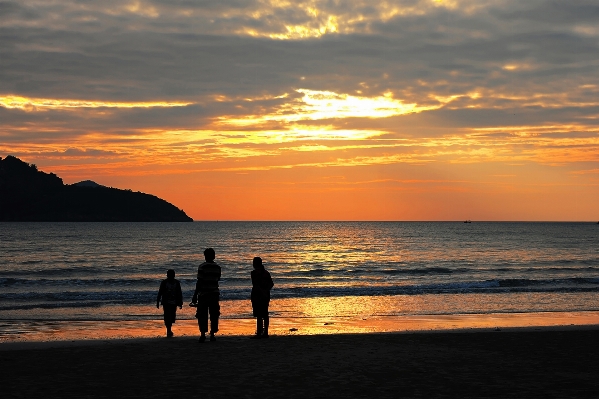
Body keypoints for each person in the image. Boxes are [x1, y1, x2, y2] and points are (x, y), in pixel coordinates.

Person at [191, 248, 222, 342]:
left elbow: (199, 282)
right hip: (214, 293)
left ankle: (203, 334)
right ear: (214, 256)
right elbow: (218, 279)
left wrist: (195, 295)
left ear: (205, 256)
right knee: (214, 314)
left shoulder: (202, 267)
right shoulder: (217, 267)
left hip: (203, 294)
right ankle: (212, 334)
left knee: (202, 314)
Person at [250, 256, 274, 339]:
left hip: (257, 295)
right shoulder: (266, 273)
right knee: (265, 313)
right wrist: (266, 290)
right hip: (265, 295)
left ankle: (259, 333)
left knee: (259, 314)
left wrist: (261, 291)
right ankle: (265, 332)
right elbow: (271, 284)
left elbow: (255, 284)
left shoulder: (254, 273)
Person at [156, 269, 183, 337]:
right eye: (170, 274)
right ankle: (168, 330)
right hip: (166, 302)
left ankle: (169, 329)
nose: (171, 276)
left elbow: (179, 293)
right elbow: (160, 292)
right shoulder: (164, 282)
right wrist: (158, 301)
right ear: (167, 275)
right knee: (167, 316)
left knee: (172, 316)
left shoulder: (177, 282)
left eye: (172, 274)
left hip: (174, 302)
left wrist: (180, 302)